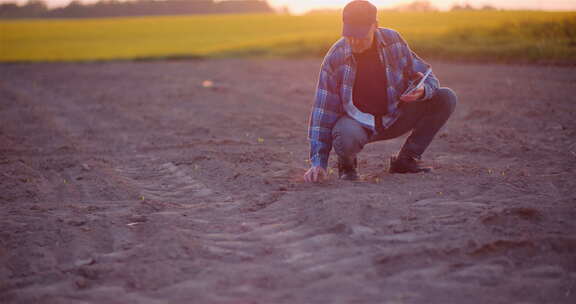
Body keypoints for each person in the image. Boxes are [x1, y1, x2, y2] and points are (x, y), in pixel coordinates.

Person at [304, 0, 457, 183]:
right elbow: (323, 114)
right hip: (357, 124)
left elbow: (427, 75)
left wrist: (423, 90)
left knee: (445, 98)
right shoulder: (335, 58)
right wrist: (318, 163)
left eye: (360, 36)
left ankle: (406, 160)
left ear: (375, 26)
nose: (354, 42)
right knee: (344, 134)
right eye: (349, 35)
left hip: (395, 115)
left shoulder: (394, 41)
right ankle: (347, 165)